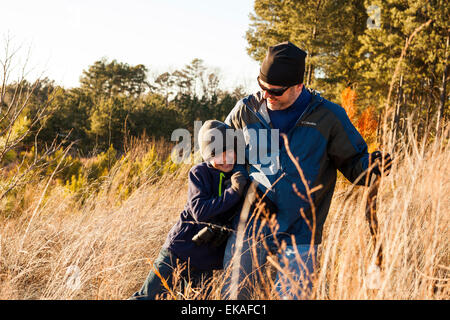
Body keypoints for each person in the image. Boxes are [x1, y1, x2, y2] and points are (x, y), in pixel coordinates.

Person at [222, 41, 392, 299]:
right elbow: (219, 156)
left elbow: (354, 164)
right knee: (234, 299)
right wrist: (240, 181)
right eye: (262, 87)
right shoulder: (246, 111)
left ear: (299, 86)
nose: (267, 95)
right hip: (250, 228)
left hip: (300, 235)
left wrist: (372, 167)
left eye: (276, 91)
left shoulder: (328, 117)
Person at [130, 120, 248, 299]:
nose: (226, 158)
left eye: (230, 152)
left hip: (205, 261)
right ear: (208, 155)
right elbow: (200, 211)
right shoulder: (199, 173)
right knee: (148, 296)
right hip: (179, 251)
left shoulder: (237, 176)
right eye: (218, 154)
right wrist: (233, 192)